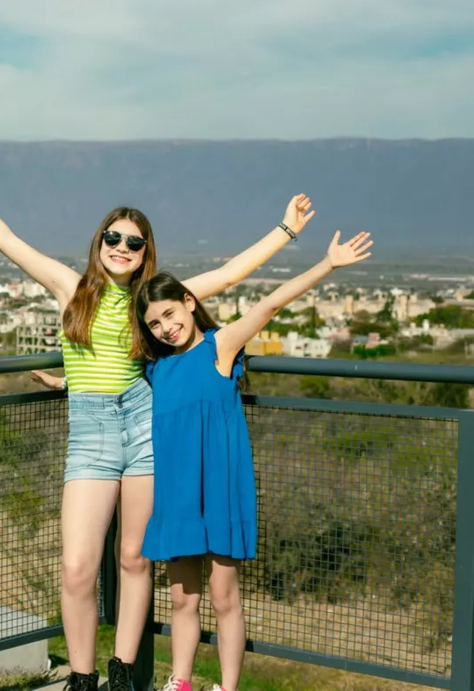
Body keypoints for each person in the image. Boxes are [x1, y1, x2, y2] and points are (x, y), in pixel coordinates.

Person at [0, 144, 315, 691]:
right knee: (78, 566)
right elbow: (6, 241)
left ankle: (122, 673)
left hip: (148, 427)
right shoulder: (69, 287)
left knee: (134, 558)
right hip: (92, 432)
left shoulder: (154, 301)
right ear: (98, 242)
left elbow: (229, 274)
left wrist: (286, 230)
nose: (121, 247)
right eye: (113, 238)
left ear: (145, 251)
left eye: (133, 241)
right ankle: (83, 677)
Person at [136, 231, 373, 691]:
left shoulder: (220, 347)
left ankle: (228, 688)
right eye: (155, 324)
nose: (165, 327)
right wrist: (64, 381)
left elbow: (269, 305)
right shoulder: (156, 368)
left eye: (169, 313)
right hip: (178, 497)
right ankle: (179, 682)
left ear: (188, 302)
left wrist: (327, 264)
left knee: (225, 598)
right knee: (183, 601)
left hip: (222, 491)